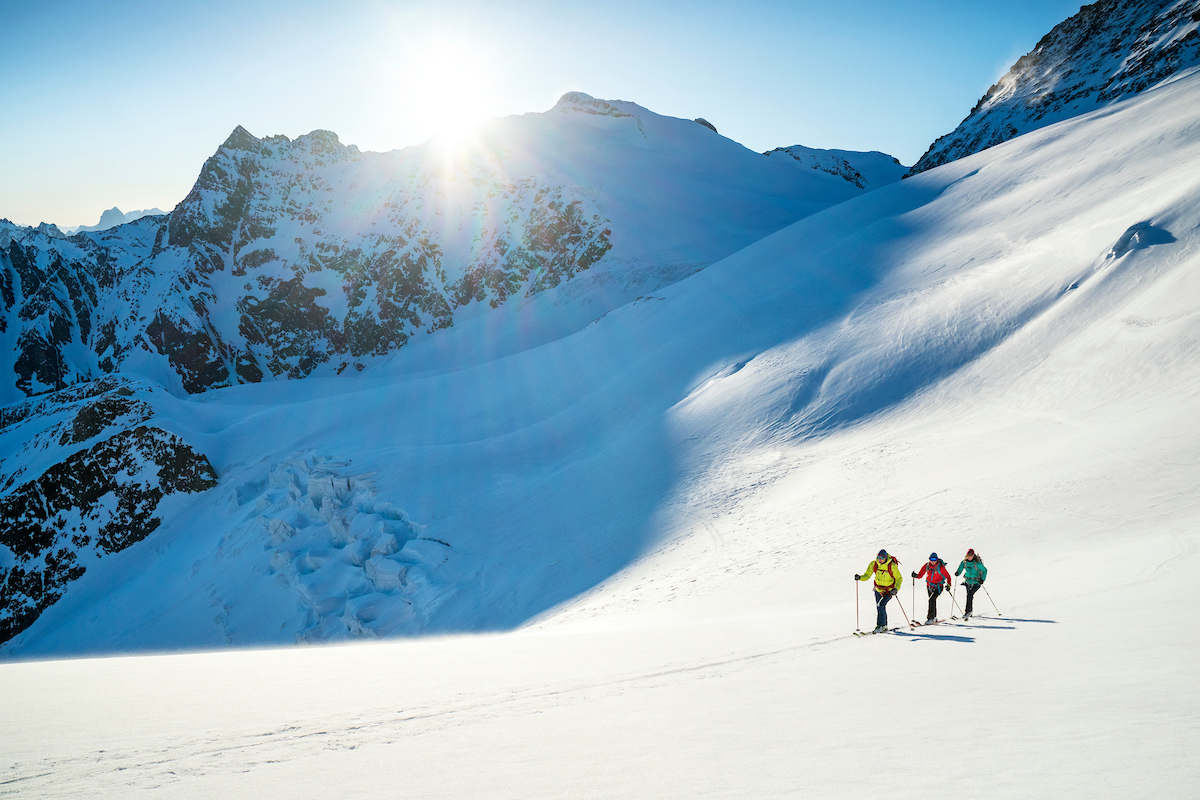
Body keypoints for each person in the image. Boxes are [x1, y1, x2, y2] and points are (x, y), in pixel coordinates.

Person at [855, 549, 903, 633]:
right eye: (878, 557)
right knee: (879, 607)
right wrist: (860, 577)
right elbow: (867, 575)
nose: (880, 559)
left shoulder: (891, 566)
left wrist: (896, 589)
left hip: (889, 590)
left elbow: (899, 578)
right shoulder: (874, 564)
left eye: (882, 558)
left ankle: (882, 625)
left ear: (886, 558)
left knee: (881, 605)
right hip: (877, 590)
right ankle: (881, 626)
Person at [913, 553, 951, 623]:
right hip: (929, 586)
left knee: (931, 600)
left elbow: (948, 577)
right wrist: (916, 575)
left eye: (934, 559)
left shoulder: (941, 567)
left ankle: (930, 618)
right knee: (932, 601)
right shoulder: (927, 565)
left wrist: (949, 585)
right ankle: (934, 617)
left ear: (937, 559)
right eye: (931, 559)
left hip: (938, 587)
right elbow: (920, 575)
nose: (933, 561)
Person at [954, 548, 988, 619]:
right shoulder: (964, 562)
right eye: (968, 555)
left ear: (973, 555)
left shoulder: (977, 563)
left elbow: (985, 570)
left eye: (971, 555)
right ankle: (970, 611)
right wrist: (958, 572)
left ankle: (968, 612)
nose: (969, 556)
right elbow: (960, 568)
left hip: (976, 582)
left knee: (969, 595)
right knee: (969, 596)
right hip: (968, 582)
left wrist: (982, 579)